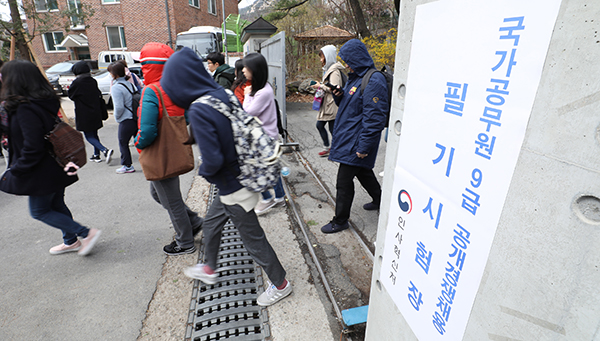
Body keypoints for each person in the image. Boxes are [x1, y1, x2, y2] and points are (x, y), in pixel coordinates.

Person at [161, 47, 292, 307]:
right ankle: (209, 267)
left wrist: (204, 170)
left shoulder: (198, 109)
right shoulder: (220, 93)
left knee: (252, 239)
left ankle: (281, 284)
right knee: (211, 223)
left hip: (234, 185)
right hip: (240, 175)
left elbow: (213, 161)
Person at [0, 60, 101, 255]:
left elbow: (33, 145)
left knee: (39, 211)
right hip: (55, 164)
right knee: (56, 204)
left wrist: (18, 169)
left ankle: (86, 234)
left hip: (40, 170)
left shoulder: (24, 108)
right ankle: (71, 241)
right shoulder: (42, 101)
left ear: (15, 79)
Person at [134, 42, 204, 256]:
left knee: (171, 201)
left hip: (159, 154)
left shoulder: (150, 90)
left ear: (148, 66)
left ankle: (185, 242)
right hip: (173, 150)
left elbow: (147, 131)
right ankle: (193, 221)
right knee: (158, 194)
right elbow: (189, 115)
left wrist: (138, 144)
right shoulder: (176, 87)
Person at [321, 39, 388, 234]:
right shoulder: (356, 77)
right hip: (351, 137)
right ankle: (379, 200)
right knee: (363, 172)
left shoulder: (374, 80)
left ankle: (340, 220)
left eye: (348, 60)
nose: (346, 65)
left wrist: (363, 147)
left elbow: (374, 118)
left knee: (343, 181)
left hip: (357, 141)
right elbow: (351, 107)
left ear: (357, 57)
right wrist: (339, 95)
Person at [242, 53, 285, 215]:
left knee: (255, 169)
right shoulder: (260, 87)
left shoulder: (263, 92)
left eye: (246, 67)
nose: (244, 70)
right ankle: (279, 196)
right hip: (265, 136)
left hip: (263, 138)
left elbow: (248, 112)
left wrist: (247, 96)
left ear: (255, 70)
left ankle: (267, 199)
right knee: (271, 168)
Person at [68, 61, 114, 164]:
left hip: (84, 113)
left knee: (88, 136)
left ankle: (104, 150)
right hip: (95, 111)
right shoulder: (92, 81)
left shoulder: (77, 83)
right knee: (94, 133)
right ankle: (96, 155)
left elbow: (71, 95)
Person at [311, 45, 345, 158]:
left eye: (322, 57)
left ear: (328, 56)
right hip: (328, 104)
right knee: (331, 128)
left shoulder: (334, 71)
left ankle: (333, 148)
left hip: (331, 105)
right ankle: (333, 148)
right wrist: (320, 85)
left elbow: (335, 88)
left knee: (323, 126)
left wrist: (320, 86)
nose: (321, 60)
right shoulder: (329, 69)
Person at [108, 61, 138, 174]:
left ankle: (127, 165)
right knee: (139, 142)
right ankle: (150, 161)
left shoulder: (116, 87)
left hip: (126, 119)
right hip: (135, 116)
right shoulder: (130, 84)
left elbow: (119, 107)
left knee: (123, 142)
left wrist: (117, 118)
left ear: (114, 74)